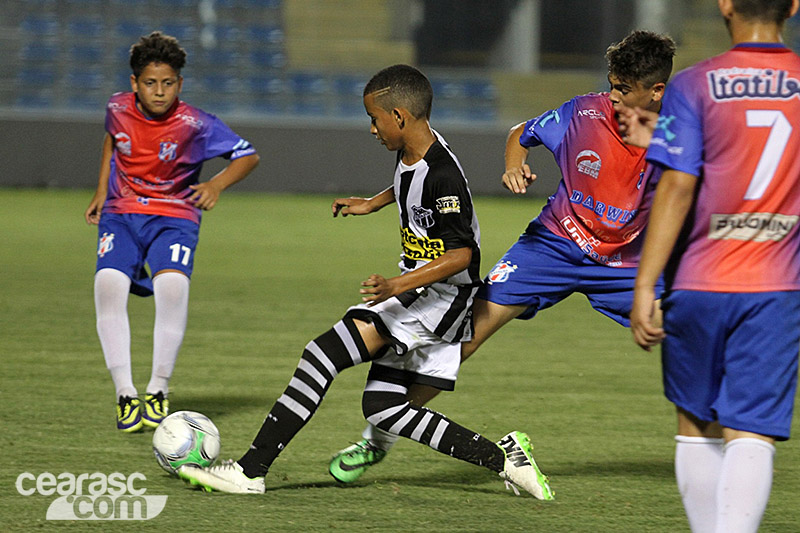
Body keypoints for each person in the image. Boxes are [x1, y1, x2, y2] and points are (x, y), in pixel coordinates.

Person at [177, 64, 554, 499]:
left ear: (399, 117)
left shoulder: (443, 174)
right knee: (384, 408)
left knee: (321, 355)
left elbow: (462, 255)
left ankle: (249, 470)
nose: (371, 128)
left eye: (375, 118)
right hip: (422, 293)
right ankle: (506, 460)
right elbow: (407, 185)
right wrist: (372, 203)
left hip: (437, 298)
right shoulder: (414, 149)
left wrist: (397, 285)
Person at [328, 30, 677, 484]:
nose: (611, 97)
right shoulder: (583, 112)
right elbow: (521, 133)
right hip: (552, 245)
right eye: (610, 84)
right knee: (465, 337)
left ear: (657, 91)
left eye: (622, 90)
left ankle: (722, 444)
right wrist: (514, 164)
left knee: (692, 327)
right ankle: (378, 437)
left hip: (626, 262)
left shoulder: (680, 134)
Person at [630, 1, 800, 531]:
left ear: (725, 4)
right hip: (777, 286)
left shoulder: (695, 83)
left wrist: (644, 285)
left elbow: (677, 188)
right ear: (792, 6)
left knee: (695, 422)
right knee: (751, 429)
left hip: (699, 281)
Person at [84, 31, 259, 432]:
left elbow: (248, 156)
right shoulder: (116, 107)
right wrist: (100, 191)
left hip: (175, 215)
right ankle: (125, 394)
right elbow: (113, 141)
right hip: (121, 213)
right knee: (108, 285)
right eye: (150, 83)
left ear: (179, 84)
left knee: (172, 289)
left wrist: (215, 184)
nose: (159, 92)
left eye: (167, 83)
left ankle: (158, 389)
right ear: (134, 84)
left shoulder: (196, 124)